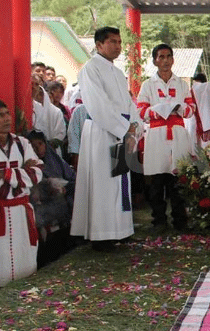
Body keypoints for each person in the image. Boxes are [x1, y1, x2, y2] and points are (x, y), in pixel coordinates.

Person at [71, 27, 140, 251]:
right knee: (104, 183)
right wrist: (124, 128)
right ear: (99, 44)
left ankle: (120, 230)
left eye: (120, 42)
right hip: (102, 132)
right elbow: (98, 104)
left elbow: (129, 103)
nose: (118, 46)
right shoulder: (90, 69)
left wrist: (133, 127)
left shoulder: (117, 72)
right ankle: (101, 235)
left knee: (120, 182)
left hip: (120, 132)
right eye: (113, 41)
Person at [137, 44, 195, 232]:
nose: (165, 60)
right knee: (157, 181)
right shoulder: (147, 85)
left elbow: (190, 109)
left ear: (173, 59)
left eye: (169, 56)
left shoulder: (182, 83)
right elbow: (141, 111)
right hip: (157, 135)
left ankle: (180, 219)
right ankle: (159, 220)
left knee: (177, 180)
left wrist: (178, 108)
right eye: (161, 57)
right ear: (155, 61)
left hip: (177, 134)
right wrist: (157, 110)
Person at [0, 101, 43, 287]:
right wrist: (21, 174)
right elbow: (28, 175)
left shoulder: (22, 143)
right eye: (1, 115)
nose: (7, 118)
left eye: (7, 113)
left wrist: (6, 174)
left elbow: (37, 173)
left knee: (24, 255)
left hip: (21, 210)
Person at [27, 130, 76, 267]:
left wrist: (65, 187)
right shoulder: (29, 164)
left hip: (61, 200)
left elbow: (71, 177)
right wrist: (49, 186)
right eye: (32, 146)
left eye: (40, 144)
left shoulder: (53, 158)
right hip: (42, 205)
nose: (37, 148)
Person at [31, 73, 66, 154]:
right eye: (31, 84)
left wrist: (49, 144)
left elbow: (61, 133)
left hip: (52, 150)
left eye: (36, 85)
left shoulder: (56, 111)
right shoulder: (32, 108)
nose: (33, 88)